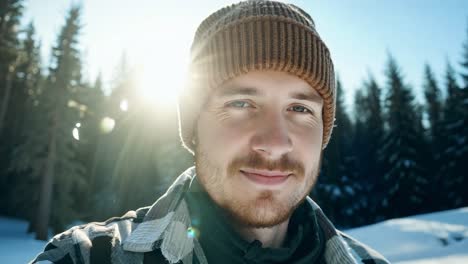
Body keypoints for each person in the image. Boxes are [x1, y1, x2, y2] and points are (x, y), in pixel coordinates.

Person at [32, 1, 389, 263]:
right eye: (241, 104)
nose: (275, 143)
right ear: (194, 124)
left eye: (300, 109)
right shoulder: (87, 256)